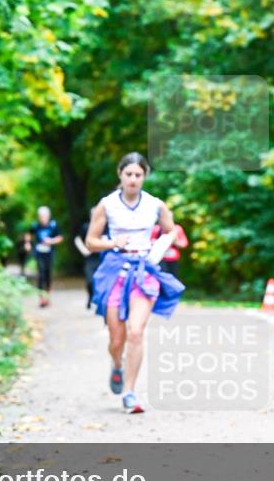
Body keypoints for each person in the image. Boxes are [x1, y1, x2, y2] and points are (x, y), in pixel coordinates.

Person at [85, 152, 185, 414]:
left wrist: (159, 247)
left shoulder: (156, 205)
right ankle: (117, 365)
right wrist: (111, 243)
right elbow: (90, 241)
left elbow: (171, 230)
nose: (133, 179)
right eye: (128, 174)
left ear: (144, 177)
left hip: (144, 270)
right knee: (117, 339)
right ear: (120, 174)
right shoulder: (106, 205)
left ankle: (129, 392)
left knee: (137, 332)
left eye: (138, 175)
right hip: (115, 268)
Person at [27, 206, 63, 308]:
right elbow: (29, 234)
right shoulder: (35, 226)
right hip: (39, 253)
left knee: (48, 275)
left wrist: (51, 241)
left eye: (45, 216)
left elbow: (60, 237)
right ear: (39, 217)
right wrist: (28, 243)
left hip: (49, 253)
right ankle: (41, 299)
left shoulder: (53, 225)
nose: (43, 218)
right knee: (41, 275)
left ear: (48, 216)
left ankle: (47, 297)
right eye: (41, 216)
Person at [74, 213, 102, 310]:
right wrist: (84, 250)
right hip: (90, 258)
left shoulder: (105, 227)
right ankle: (91, 297)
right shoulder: (86, 227)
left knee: (100, 281)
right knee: (89, 281)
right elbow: (77, 239)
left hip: (101, 258)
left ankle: (98, 300)